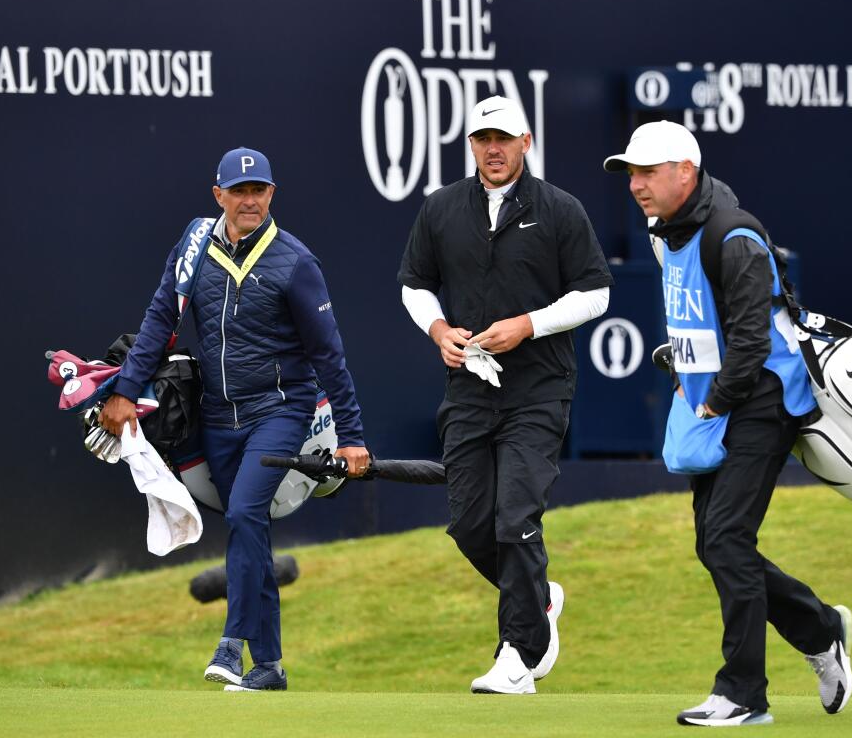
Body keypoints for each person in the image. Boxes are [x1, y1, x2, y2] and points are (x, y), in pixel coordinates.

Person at [604, 121, 852, 726]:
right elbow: (702, 321)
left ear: (685, 172)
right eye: (631, 173)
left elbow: (749, 340)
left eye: (648, 172)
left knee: (726, 540)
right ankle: (820, 628)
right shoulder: (667, 230)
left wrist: (714, 399)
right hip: (715, 400)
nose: (636, 184)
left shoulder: (732, 234)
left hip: (763, 401)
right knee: (712, 544)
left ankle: (743, 694)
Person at [100, 147, 371, 692]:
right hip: (218, 415)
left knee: (247, 512)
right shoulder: (195, 244)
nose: (250, 201)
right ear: (218, 194)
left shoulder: (296, 261)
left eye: (259, 191)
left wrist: (354, 437)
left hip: (280, 410)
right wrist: (124, 389)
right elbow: (160, 318)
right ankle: (268, 665)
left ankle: (231, 643)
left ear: (272, 195)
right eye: (239, 192)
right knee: (250, 530)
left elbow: (329, 356)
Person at [397, 96, 614, 694]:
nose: (492, 149)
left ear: (524, 140)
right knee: (471, 527)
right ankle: (540, 597)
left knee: (515, 519)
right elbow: (415, 284)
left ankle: (518, 653)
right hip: (468, 388)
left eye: (502, 138)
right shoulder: (442, 209)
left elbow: (596, 293)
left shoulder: (559, 210)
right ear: (470, 145)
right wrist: (439, 329)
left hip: (539, 389)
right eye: (480, 139)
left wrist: (528, 324)